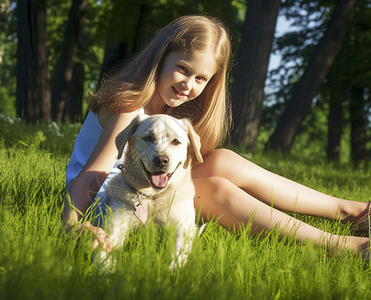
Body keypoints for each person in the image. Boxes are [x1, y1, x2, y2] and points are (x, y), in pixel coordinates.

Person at [62, 15, 370, 261]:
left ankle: (352, 211)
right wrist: (73, 226)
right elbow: (94, 173)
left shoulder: (167, 111)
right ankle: (341, 246)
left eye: (200, 79)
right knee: (211, 190)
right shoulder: (130, 107)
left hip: (145, 184)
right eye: (182, 69)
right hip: (109, 202)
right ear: (160, 57)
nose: (188, 85)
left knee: (222, 160)